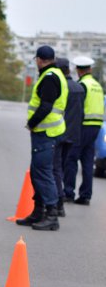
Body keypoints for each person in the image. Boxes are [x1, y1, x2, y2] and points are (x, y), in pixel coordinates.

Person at [16, 45, 67, 231]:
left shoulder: (50, 77)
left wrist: (31, 123)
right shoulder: (55, 74)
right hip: (47, 133)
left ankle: (52, 214)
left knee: (44, 173)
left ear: (39, 60)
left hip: (46, 133)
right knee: (38, 171)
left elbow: (45, 106)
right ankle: (38, 212)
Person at [63, 56, 104, 205]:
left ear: (78, 70)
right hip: (96, 127)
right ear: (90, 69)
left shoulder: (82, 85)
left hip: (83, 126)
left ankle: (68, 192)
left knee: (71, 159)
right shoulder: (97, 85)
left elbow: (78, 109)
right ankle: (85, 196)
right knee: (87, 161)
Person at [52, 57, 84, 217]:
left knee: (55, 169)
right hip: (73, 135)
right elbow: (80, 114)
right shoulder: (79, 88)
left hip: (59, 133)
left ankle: (58, 204)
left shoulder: (60, 85)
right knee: (66, 167)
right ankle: (66, 193)